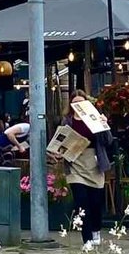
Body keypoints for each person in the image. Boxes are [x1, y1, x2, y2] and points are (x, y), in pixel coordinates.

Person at [47, 94, 112, 243]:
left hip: (94, 163)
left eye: (81, 102)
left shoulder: (94, 119)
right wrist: (57, 153)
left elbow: (107, 141)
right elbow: (60, 141)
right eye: (75, 103)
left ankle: (96, 229)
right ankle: (87, 240)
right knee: (82, 202)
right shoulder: (67, 121)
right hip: (75, 164)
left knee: (95, 202)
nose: (78, 105)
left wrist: (103, 125)